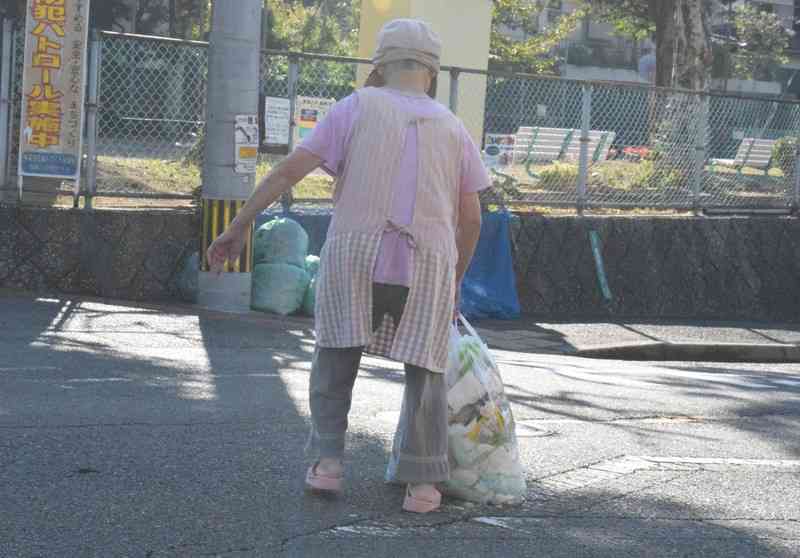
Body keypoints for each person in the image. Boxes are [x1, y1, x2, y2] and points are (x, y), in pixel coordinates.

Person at [206, 19, 488, 513]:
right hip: (428, 262)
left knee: (336, 354)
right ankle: (422, 485)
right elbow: (471, 219)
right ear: (432, 71)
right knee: (425, 367)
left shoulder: (354, 108)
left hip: (355, 254)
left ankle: (328, 464)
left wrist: (239, 226)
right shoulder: (453, 126)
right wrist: (455, 279)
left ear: (378, 65)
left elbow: (289, 169)